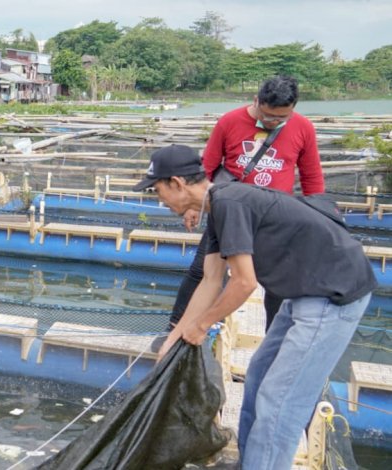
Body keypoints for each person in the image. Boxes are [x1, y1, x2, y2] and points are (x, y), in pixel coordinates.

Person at [142, 145, 373, 470]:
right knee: (259, 378)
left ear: (178, 183)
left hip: (332, 295)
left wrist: (202, 325)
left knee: (279, 404)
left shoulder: (228, 203)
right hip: (303, 292)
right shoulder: (219, 207)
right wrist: (174, 337)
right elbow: (210, 281)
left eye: (158, 190)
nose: (160, 200)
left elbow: (244, 283)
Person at [170, 76, 324, 330]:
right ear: (256, 101)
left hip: (276, 218)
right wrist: (192, 205)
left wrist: (321, 214)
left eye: (281, 118)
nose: (273, 122)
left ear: (293, 108)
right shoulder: (230, 122)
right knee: (202, 271)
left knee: (279, 284)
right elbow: (206, 167)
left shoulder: (303, 128)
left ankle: (275, 342)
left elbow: (312, 176)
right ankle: (175, 328)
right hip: (228, 210)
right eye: (267, 116)